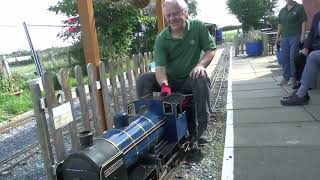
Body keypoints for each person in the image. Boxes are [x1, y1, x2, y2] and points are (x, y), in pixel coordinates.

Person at [136, 0, 216, 144]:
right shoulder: (161, 39)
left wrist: (200, 65)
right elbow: (160, 69)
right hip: (171, 81)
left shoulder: (198, 27)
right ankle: (145, 123)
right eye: (168, 16)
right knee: (144, 79)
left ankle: (203, 129)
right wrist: (165, 85)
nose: (172, 19)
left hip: (189, 80)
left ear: (185, 13)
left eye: (175, 14)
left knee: (202, 77)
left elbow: (211, 49)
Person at [281, 11, 320, 106]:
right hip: (316, 47)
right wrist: (306, 47)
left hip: (316, 52)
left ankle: (301, 93)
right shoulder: (317, 15)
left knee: (313, 56)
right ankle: (303, 91)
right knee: (298, 57)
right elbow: (311, 33)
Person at [276, 0, 307, 86]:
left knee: (292, 57)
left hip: (295, 36)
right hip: (284, 37)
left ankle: (293, 77)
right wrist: (277, 36)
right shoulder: (282, 10)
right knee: (285, 57)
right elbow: (280, 24)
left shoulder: (299, 7)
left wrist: (303, 35)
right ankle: (286, 77)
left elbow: (304, 21)